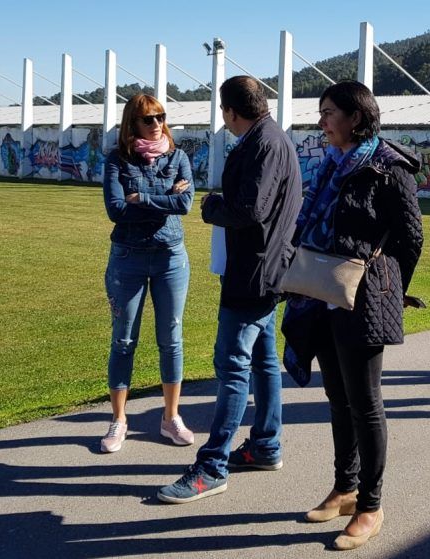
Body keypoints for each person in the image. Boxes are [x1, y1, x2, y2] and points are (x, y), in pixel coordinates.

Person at [282, 81, 423, 551]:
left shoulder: (388, 166)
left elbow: (410, 237)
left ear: (356, 118)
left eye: (328, 113)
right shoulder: (330, 163)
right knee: (338, 399)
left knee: (365, 403)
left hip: (362, 293)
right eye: (320, 112)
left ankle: (370, 505)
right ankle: (344, 488)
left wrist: (389, 287)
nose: (321, 121)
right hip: (320, 291)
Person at [157, 76, 303, 504]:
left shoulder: (264, 144)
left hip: (254, 274)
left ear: (230, 112)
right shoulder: (272, 139)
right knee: (263, 361)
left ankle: (212, 465)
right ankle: (265, 444)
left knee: (233, 365)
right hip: (266, 269)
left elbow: (250, 209)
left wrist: (212, 206)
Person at [100, 94, 195, 453]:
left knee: (171, 339)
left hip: (171, 258)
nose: (156, 124)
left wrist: (143, 198)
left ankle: (171, 418)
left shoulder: (178, 157)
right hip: (129, 259)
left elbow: (185, 204)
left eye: (160, 117)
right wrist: (163, 198)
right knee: (124, 340)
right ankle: (118, 420)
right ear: (132, 124)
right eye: (147, 119)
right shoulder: (117, 160)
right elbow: (116, 209)